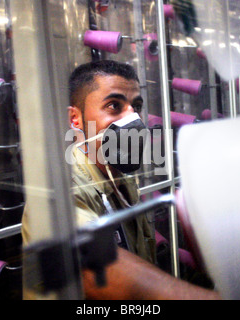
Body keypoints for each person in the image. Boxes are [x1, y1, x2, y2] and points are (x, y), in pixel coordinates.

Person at [22, 60, 221, 300]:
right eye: (114, 105)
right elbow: (91, 266)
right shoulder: (59, 189)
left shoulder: (121, 181)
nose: (133, 119)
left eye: (136, 106)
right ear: (75, 119)